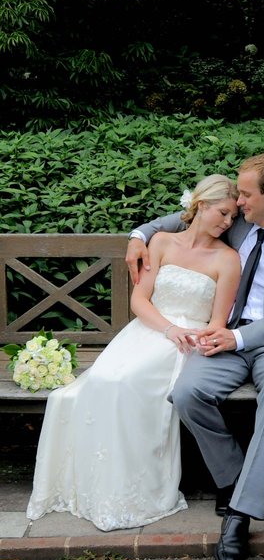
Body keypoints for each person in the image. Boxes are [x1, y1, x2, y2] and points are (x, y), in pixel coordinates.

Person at [126, 153, 264, 560]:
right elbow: (176, 220)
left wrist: (237, 336)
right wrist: (136, 236)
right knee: (186, 393)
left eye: (245, 192)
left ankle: (239, 516)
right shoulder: (235, 224)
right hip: (224, 337)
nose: (238, 201)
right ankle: (234, 478)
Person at [26, 175, 240, 532]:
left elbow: (217, 321)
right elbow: (139, 300)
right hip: (148, 330)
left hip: (187, 342)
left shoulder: (228, 259)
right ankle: (95, 482)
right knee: (97, 384)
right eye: (223, 213)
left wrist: (186, 336)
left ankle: (134, 488)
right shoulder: (160, 242)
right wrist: (167, 328)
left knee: (124, 382)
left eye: (233, 217)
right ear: (201, 205)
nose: (228, 222)